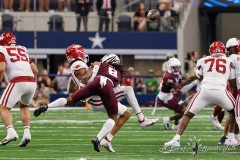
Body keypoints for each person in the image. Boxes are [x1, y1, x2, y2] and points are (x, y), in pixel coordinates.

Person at [164, 41, 238, 147]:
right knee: (234, 111)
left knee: (187, 114)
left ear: (210, 51)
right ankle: (230, 138)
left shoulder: (203, 60)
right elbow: (232, 84)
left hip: (205, 91)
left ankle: (176, 139)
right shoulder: (229, 61)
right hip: (221, 91)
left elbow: (200, 77)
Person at [0, 32, 38, 147]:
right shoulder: (22, 49)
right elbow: (35, 70)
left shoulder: (2, 49)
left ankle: (11, 132)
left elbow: (1, 68)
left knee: (3, 107)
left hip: (18, 80)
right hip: (31, 81)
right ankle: (27, 134)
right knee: (24, 106)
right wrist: (31, 82)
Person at [158, 58, 188, 130]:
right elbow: (178, 86)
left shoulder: (177, 73)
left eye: (177, 67)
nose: (177, 69)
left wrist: (195, 78)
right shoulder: (168, 76)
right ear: (170, 67)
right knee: (184, 111)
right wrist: (190, 80)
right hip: (165, 98)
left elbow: (185, 78)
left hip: (170, 95)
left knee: (180, 108)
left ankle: (175, 125)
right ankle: (167, 119)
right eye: (174, 67)